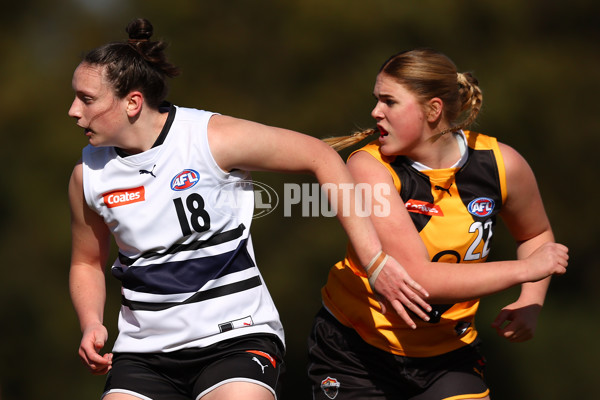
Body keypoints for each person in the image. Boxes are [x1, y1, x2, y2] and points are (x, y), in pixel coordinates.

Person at [67, 19, 431, 400]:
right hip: (144, 354)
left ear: (133, 103)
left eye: (87, 98)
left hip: (235, 339)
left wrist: (374, 260)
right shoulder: (87, 175)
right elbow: (86, 262)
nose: (73, 111)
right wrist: (91, 322)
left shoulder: (210, 138)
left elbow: (321, 156)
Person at [307, 48, 569, 400]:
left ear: (433, 110)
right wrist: (526, 270)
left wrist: (530, 301)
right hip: (356, 352)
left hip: (448, 355)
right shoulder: (368, 167)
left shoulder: (502, 164)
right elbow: (420, 280)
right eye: (376, 100)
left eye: (390, 102)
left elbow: (535, 234)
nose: (375, 112)